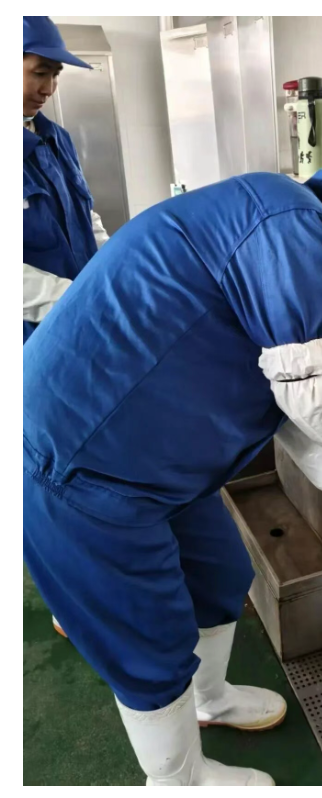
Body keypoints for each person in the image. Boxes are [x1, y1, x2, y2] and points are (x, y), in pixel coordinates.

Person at [23, 140, 322, 786]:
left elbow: (285, 402)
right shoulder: (290, 222)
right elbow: (312, 389)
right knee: (148, 638)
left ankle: (209, 700)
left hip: (156, 458)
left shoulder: (278, 223)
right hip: (81, 464)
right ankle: (177, 781)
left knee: (219, 573)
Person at [23, 16, 112, 639]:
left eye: (54, 74)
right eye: (38, 71)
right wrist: (77, 302)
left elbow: (88, 213)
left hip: (78, 326)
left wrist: (115, 267)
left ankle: (94, 572)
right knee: (49, 471)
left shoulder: (51, 137)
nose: (48, 87)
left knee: (87, 456)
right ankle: (70, 596)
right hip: (31, 337)